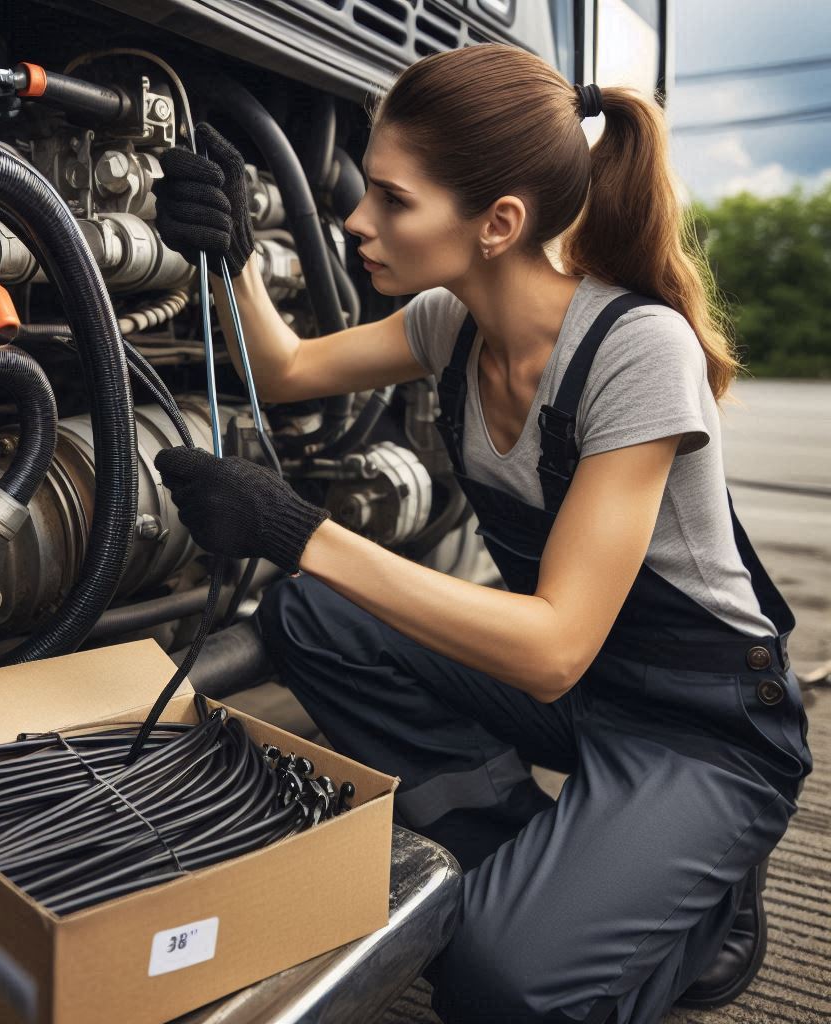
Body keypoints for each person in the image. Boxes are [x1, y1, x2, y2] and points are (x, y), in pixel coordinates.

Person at [151, 43, 811, 1024]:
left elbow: (550, 649)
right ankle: (536, 855)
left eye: (391, 199)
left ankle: (699, 903)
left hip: (699, 724)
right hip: (591, 690)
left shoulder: (638, 350)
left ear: (497, 224)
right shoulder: (446, 327)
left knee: (493, 988)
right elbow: (284, 368)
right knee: (311, 615)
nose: (356, 220)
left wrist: (296, 527)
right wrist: (231, 258)